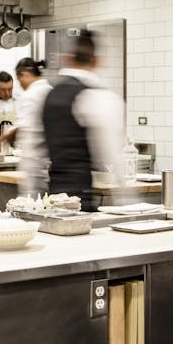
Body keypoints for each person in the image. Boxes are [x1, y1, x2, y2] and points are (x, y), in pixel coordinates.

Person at [41, 30, 125, 211]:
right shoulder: (93, 95)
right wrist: (126, 197)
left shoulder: (50, 94)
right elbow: (109, 153)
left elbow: (33, 150)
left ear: (69, 59)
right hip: (81, 196)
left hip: (54, 193)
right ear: (97, 61)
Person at [0, 58, 52, 195]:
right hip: (48, 163)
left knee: (32, 206)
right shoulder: (50, 90)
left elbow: (25, 129)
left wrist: (8, 135)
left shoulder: (30, 95)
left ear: (25, 74)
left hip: (34, 163)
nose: (20, 84)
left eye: (19, 79)